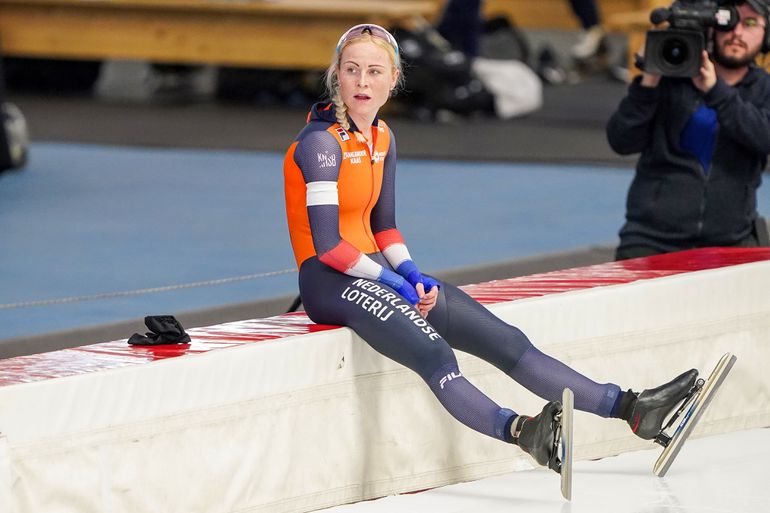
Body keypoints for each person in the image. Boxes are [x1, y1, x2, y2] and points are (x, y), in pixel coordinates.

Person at [283, 23, 699, 469]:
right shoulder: (320, 145)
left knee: (506, 340)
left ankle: (633, 409)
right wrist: (390, 281)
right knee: (436, 355)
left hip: (376, 271)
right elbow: (328, 245)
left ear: (393, 78)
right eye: (351, 71)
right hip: (330, 281)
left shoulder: (382, 137)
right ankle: (522, 431)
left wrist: (411, 275)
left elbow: (384, 228)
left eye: (373, 71)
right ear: (336, 76)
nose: (362, 83)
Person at [607, 0, 770, 260]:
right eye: (728, 22)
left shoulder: (764, 89)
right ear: (711, 29)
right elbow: (621, 141)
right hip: (652, 240)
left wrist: (715, 90)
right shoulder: (668, 78)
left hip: (732, 241)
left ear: (766, 35)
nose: (738, 32)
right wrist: (648, 82)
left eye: (751, 23)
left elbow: (764, 137)